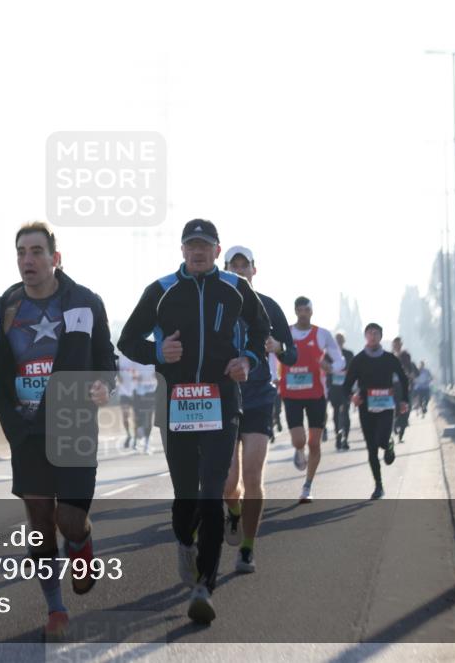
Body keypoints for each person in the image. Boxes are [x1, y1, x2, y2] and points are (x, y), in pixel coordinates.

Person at [0, 221, 116, 641]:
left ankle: (81, 544)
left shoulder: (84, 303)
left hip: (72, 424)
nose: (27, 260)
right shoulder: (3, 309)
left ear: (56, 258)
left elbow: (107, 359)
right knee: (39, 519)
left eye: (36, 251)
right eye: (21, 252)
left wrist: (104, 386)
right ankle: (55, 608)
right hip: (26, 429)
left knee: (69, 519)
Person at [119, 219, 269, 624]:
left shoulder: (237, 289)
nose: (198, 251)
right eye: (191, 245)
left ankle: (205, 585)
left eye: (205, 245)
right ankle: (185, 541)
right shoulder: (161, 290)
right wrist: (157, 353)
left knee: (213, 492)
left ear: (217, 251)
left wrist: (247, 360)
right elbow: (127, 340)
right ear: (182, 251)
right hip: (176, 405)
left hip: (222, 403)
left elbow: (261, 332)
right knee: (186, 496)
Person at [220, 246, 296, 574]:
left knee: (252, 475)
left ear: (254, 270)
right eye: (233, 265)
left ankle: (248, 548)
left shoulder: (269, 306)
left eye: (244, 265)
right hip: (223, 399)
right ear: (224, 269)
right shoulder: (215, 305)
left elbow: (292, 354)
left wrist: (279, 346)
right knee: (228, 484)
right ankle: (234, 512)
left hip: (259, 399)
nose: (239, 270)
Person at [278, 297, 344, 503]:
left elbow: (340, 359)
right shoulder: (285, 333)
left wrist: (331, 367)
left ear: (311, 311)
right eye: (300, 310)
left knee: (314, 443)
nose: (303, 313)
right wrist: (273, 376)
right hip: (291, 394)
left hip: (316, 395)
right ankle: (299, 450)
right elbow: (273, 355)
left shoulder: (322, 334)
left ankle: (307, 486)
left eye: (306, 310)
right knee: (299, 440)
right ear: (295, 311)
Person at [343, 323, 410, 499]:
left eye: (376, 333)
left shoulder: (389, 358)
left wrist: (404, 400)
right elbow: (347, 384)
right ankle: (378, 485)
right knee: (371, 448)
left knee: (381, 440)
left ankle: (388, 445)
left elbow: (403, 379)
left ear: (381, 336)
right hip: (366, 406)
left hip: (386, 406)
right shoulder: (358, 360)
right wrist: (352, 397)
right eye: (370, 333)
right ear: (365, 336)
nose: (372, 336)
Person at [326, 331, 356, 451]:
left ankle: (345, 439)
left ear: (344, 341)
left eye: (341, 339)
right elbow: (325, 370)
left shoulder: (349, 354)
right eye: (337, 340)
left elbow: (354, 370)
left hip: (346, 388)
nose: (339, 342)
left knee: (346, 412)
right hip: (334, 388)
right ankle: (338, 436)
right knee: (336, 412)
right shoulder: (328, 355)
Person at [391, 337, 418, 443]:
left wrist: (409, 375)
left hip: (405, 386)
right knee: (396, 408)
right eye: (395, 344)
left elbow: (411, 370)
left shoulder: (405, 355)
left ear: (401, 345)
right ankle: (396, 424)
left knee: (406, 409)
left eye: (398, 344)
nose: (397, 346)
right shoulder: (389, 356)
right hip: (393, 387)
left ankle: (401, 432)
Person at [132, 362, 158, 454]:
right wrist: (136, 377)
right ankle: (138, 439)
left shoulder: (154, 361)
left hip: (150, 392)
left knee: (148, 417)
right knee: (138, 418)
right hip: (138, 392)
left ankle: (146, 444)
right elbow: (133, 374)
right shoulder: (136, 360)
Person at [117, 354, 138, 448]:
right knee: (125, 416)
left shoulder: (135, 357)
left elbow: (139, 374)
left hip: (135, 392)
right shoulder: (120, 359)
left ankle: (135, 439)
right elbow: (117, 374)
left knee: (136, 418)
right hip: (123, 393)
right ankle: (129, 435)